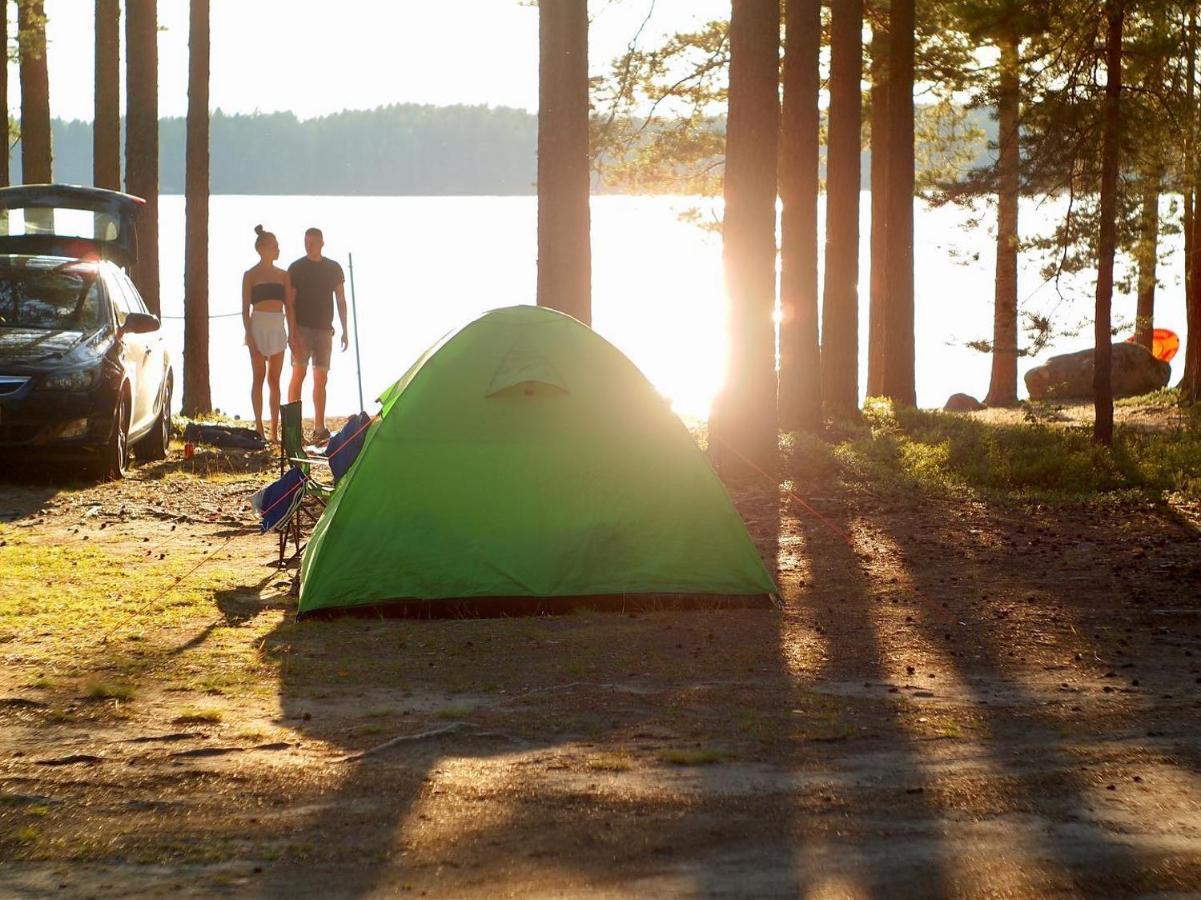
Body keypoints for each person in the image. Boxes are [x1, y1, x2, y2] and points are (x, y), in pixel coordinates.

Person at [286, 227, 348, 442]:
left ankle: (319, 428)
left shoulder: (333, 268)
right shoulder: (296, 268)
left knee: (321, 377)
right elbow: (290, 303)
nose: (309, 245)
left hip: (324, 329)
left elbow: (340, 299)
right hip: (301, 329)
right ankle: (292, 429)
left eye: (312, 242)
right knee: (298, 374)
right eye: (306, 242)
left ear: (322, 243)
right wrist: (291, 332)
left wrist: (345, 329)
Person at [242, 225, 290, 442]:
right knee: (258, 378)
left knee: (275, 380)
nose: (277, 249)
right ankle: (259, 426)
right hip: (258, 326)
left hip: (277, 326)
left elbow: (289, 307)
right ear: (262, 248)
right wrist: (250, 336)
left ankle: (274, 429)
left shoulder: (284, 275)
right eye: (273, 246)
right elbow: (245, 310)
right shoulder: (250, 275)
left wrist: (292, 333)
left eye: (277, 246)